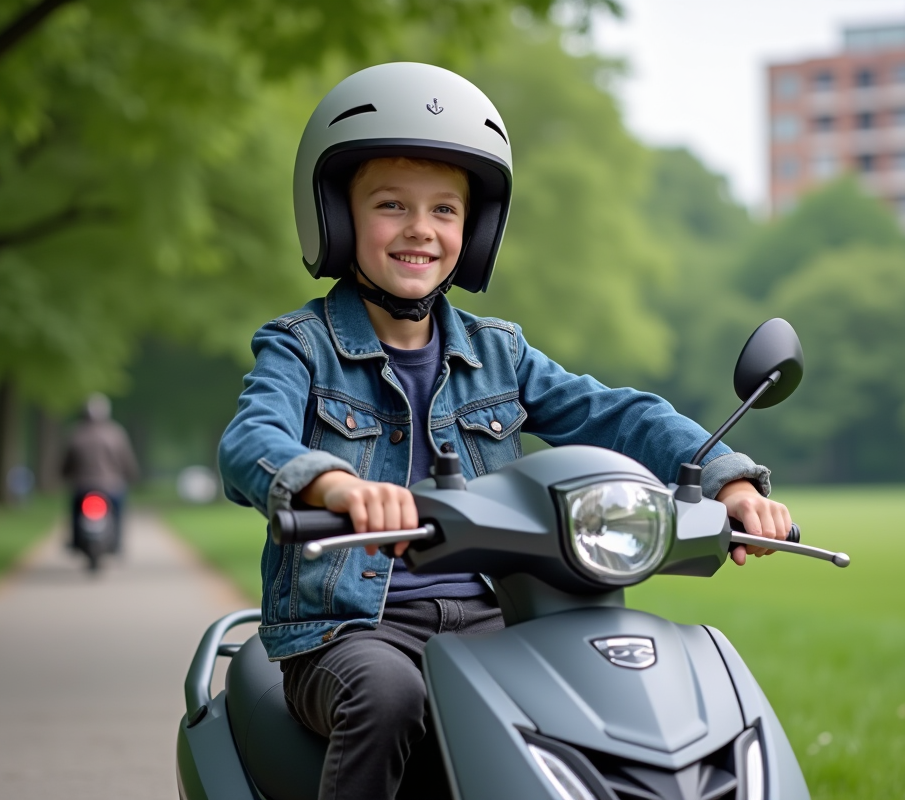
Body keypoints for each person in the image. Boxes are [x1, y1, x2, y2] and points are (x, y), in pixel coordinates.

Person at [217, 62, 793, 800]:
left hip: (496, 614)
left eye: (445, 211)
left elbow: (619, 413)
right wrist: (336, 484)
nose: (420, 230)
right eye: (390, 205)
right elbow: (249, 441)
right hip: (352, 632)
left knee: (606, 691)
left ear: (475, 228)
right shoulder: (301, 345)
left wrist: (728, 480)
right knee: (389, 697)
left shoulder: (501, 353)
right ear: (336, 216)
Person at [61, 393, 139, 553]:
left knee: (75, 511)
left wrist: (63, 474)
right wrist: (132, 474)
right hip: (111, 485)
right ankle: (117, 542)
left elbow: (67, 462)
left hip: (82, 485)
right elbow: (126, 459)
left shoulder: (76, 433)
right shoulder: (116, 433)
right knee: (118, 511)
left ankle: (75, 540)